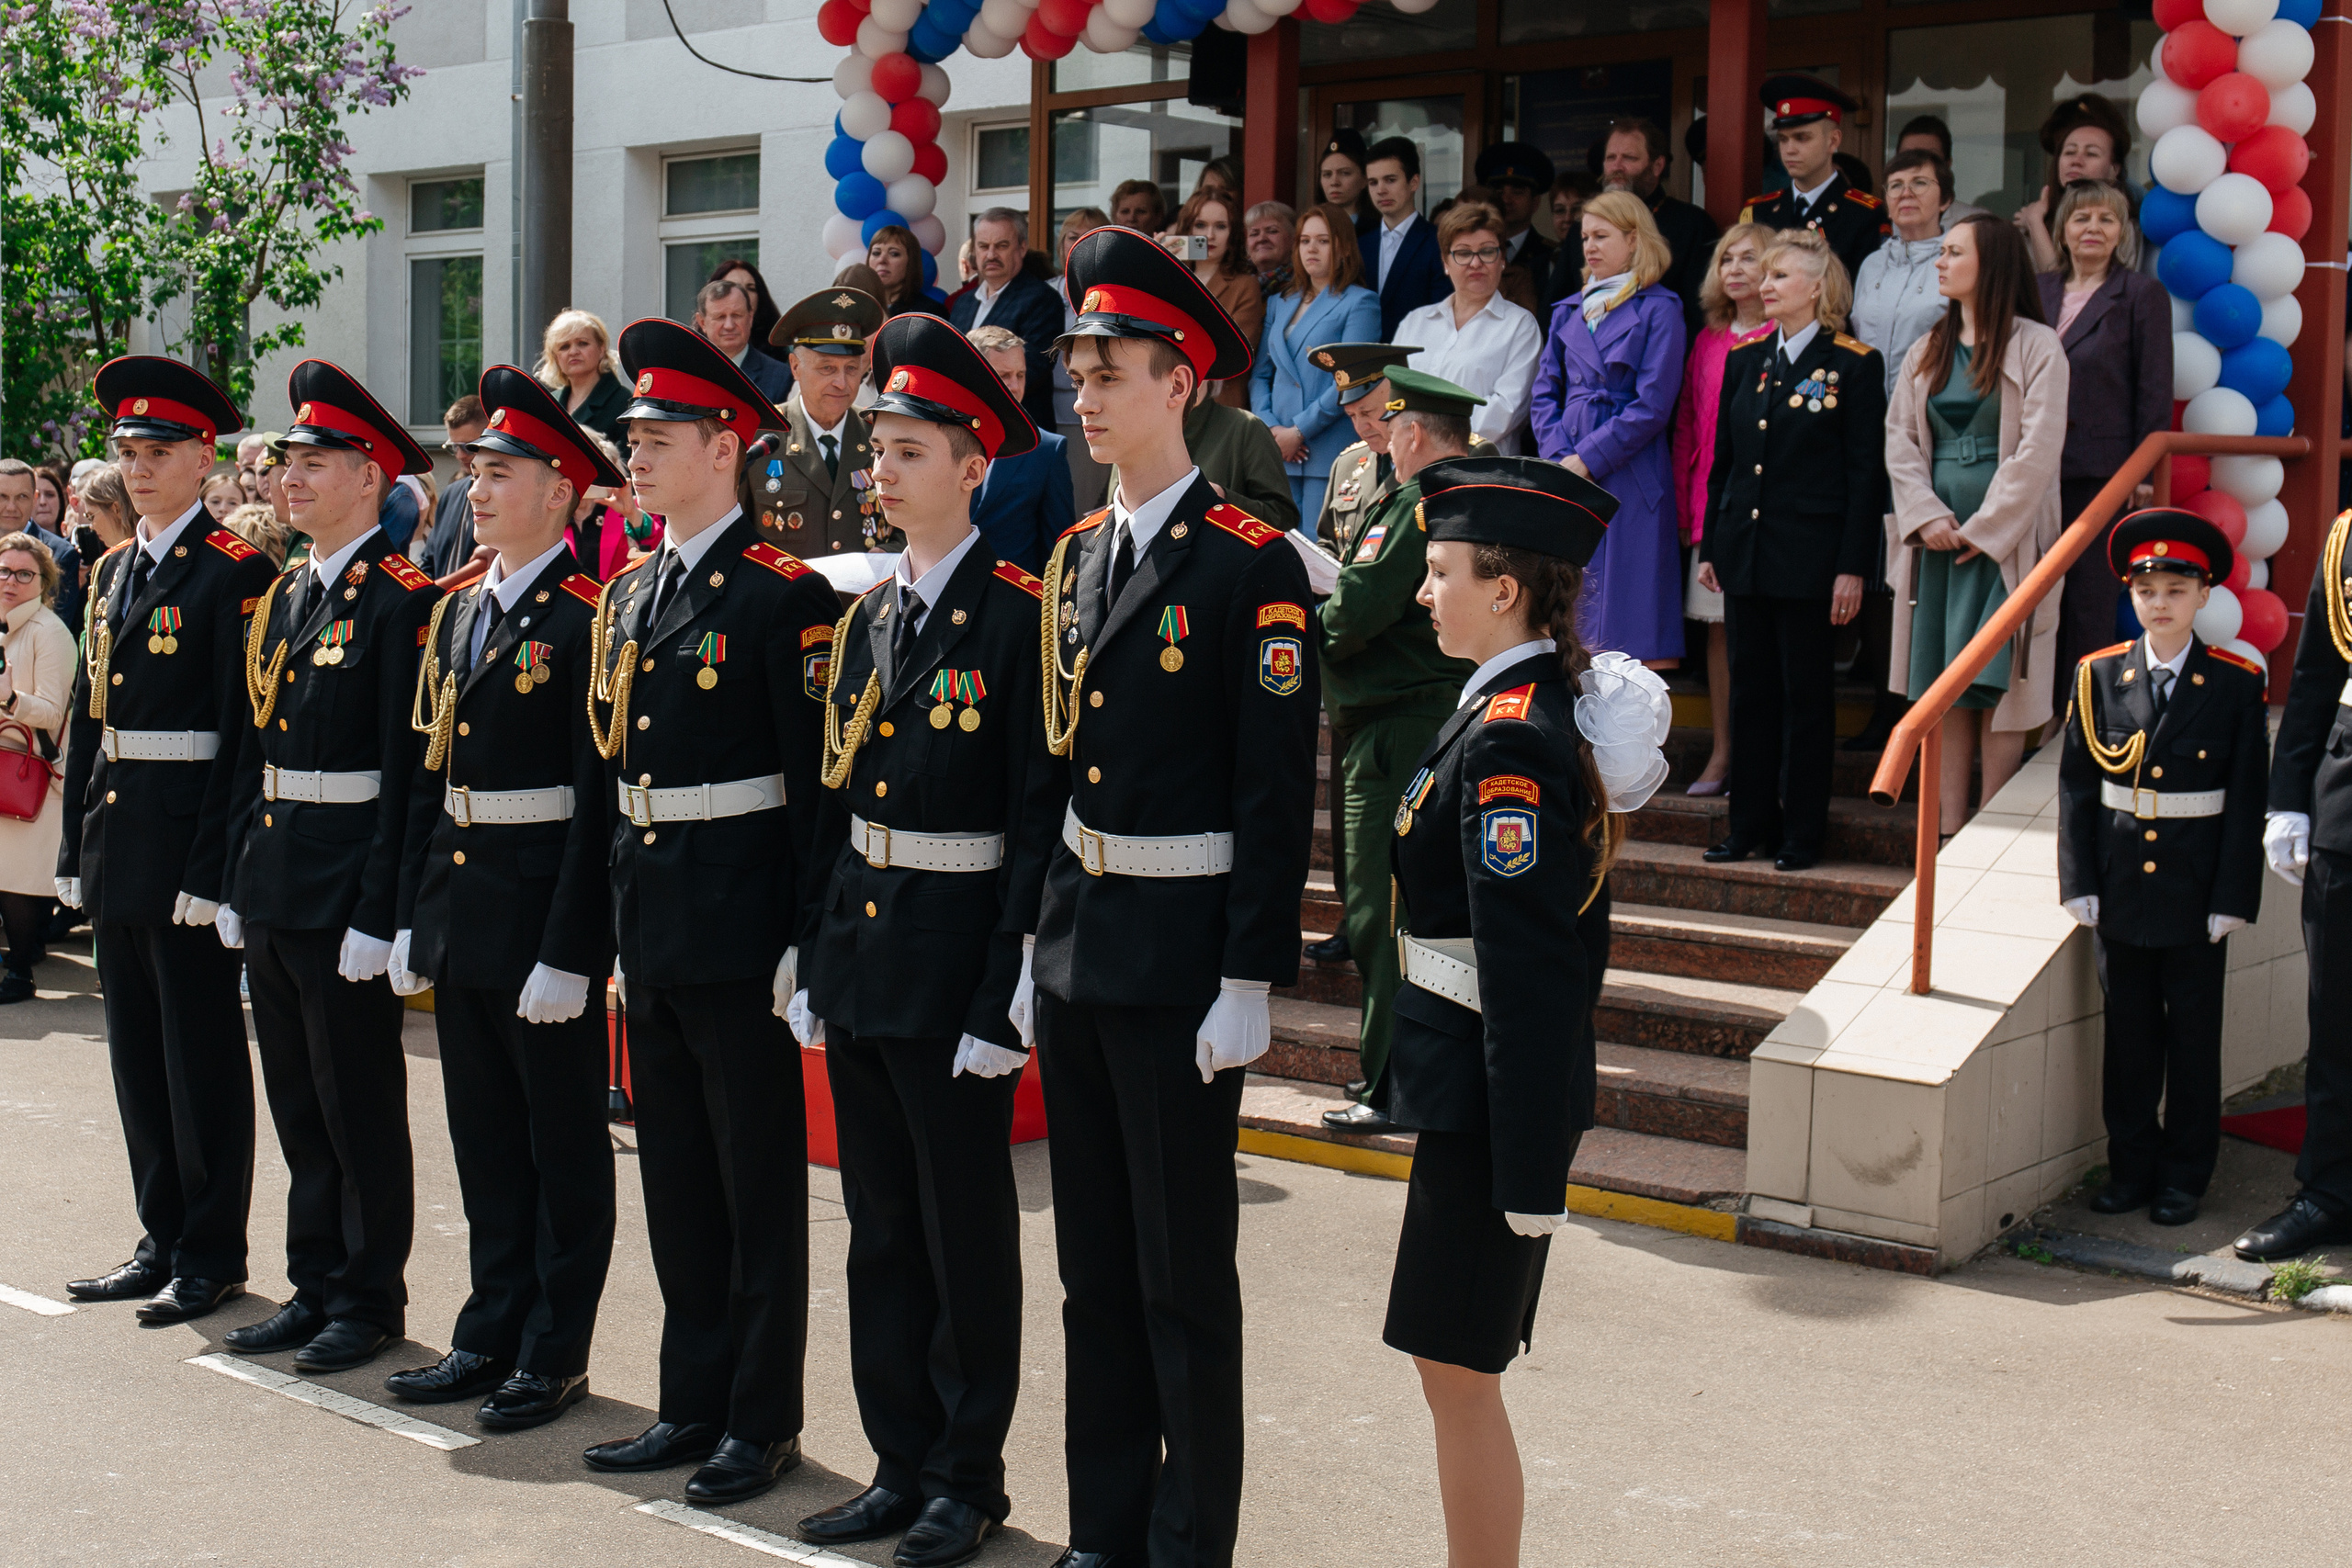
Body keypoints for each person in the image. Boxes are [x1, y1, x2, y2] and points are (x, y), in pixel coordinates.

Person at [1022, 225, 1316, 1568]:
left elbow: (1271, 790)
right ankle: (1106, 1527)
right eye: (1079, 370)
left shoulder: (1250, 562)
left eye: (1114, 371)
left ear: (1182, 381)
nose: (1085, 396)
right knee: (1092, 1274)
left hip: (1186, 957)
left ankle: (1192, 1542)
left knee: (1183, 1279)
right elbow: (1059, 767)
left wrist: (1252, 971)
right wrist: (1038, 935)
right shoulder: (1078, 551)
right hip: (1084, 944)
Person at [785, 314, 1059, 1568]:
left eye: (905, 450)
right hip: (865, 950)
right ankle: (897, 1457)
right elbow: (837, 805)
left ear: (974, 463)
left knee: (963, 1231)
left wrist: (1010, 984)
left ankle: (967, 1472)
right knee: (880, 1225)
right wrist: (814, 951)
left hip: (958, 960)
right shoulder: (870, 615)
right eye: (877, 450)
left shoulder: (1018, 618)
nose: (879, 472)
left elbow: (1034, 818)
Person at [577, 316, 843, 1502]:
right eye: (633, 435)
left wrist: (804, 935)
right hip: (655, 915)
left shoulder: (785, 597)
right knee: (676, 1176)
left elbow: (815, 792)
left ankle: (758, 1414)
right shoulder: (631, 592)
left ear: (727, 446)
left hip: (742, 925)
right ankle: (690, 1397)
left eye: (660, 435)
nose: (637, 454)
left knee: (753, 1183)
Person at [1385, 455, 1663, 1568]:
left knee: (1458, 1371)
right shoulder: (1500, 709)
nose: (1421, 591)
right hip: (1467, 1088)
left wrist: (1531, 1163)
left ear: (1503, 588)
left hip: (1488, 1105)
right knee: (1447, 1365)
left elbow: (1532, 965)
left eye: (1438, 570)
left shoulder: (1509, 734)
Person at [377, 366, 620, 1429]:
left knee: (560, 1143)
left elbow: (594, 802)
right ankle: (490, 1328)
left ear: (563, 489)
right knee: (481, 1137)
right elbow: (431, 777)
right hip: (464, 904)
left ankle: (554, 1349)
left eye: (502, 472)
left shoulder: (586, 619)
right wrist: (409, 916)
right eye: (474, 471)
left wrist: (572, 949)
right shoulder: (458, 611)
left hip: (538, 919)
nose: (475, 488)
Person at [210, 363, 442, 1374]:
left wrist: (382, 910)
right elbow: (250, 747)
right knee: (298, 1099)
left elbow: (408, 774)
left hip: (348, 880)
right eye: (287, 461)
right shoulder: (288, 591)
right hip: (275, 873)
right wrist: (232, 876)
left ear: (369, 475)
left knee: (356, 1100)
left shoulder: (402, 600)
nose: (289, 478)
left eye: (314, 463)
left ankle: (367, 1294)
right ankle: (313, 1282)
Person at [56, 357, 271, 1325]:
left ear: (203, 458)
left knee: (201, 1056)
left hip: (188, 845)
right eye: (128, 453)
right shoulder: (108, 572)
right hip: (119, 838)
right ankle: (160, 1233)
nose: (140, 469)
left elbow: (242, 737)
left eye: (159, 452)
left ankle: (211, 1248)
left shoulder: (237, 572)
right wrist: (74, 846)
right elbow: (89, 719)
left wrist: (214, 867)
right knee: (137, 1056)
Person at [2058, 510, 2267, 1230]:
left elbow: (2245, 801)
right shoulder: (2098, 676)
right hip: (2121, 887)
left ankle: (2184, 1176)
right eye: (2147, 589)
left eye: (2176, 589)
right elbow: (2079, 789)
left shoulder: (2236, 684)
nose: (2160, 602)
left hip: (2196, 888)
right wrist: (2078, 879)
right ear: (2131, 594)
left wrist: (2233, 895)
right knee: (2130, 1038)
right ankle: (2131, 1169)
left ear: (2203, 596)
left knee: (2193, 1041)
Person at [1314, 367, 1483, 1134]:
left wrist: (1302, 601)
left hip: (1398, 727)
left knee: (1383, 914)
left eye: (1391, 421)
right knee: (1401, 911)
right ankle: (1400, 1077)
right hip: (1406, 717)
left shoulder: (1419, 501)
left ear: (1412, 431)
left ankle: (1387, 1084)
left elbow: (1353, 611)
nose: (1381, 433)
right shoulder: (1436, 494)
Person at [1698, 230, 1885, 872]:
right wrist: (1712, 542)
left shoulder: (1855, 363)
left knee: (1806, 700)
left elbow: (1865, 476)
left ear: (1818, 288)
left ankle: (1802, 832)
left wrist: (1852, 566)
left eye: (1781, 275)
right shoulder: (1746, 358)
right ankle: (1746, 824)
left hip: (1811, 559)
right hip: (1746, 551)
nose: (1766, 283)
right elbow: (1724, 463)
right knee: (1750, 695)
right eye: (1765, 273)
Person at [1884, 212, 2067, 837]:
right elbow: (1900, 442)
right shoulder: (1926, 347)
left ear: (1989, 263)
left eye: (1953, 251)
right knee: (1945, 682)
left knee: (2002, 682)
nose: (1940, 261)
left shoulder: (2038, 344)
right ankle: (1945, 826)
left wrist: (1987, 529)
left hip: (2003, 544)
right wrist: (1928, 517)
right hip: (1936, 542)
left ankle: (1994, 822)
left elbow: (2039, 449)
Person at [2252, 506, 2352, 1261]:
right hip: (2349, 802)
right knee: (2338, 1016)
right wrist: (2289, 794)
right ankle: (2329, 1191)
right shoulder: (2349, 536)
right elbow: (2317, 671)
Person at [1530, 190, 1687, 667]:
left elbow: (1653, 404)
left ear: (1634, 239)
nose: (1590, 247)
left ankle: (1631, 740)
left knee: (1628, 629)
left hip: (1631, 473)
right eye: (1584, 237)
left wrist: (1588, 459)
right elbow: (1542, 395)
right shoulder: (1567, 311)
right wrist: (1561, 459)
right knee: (1572, 622)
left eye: (1602, 236)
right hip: (1569, 470)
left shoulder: (1661, 308)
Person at [2037, 180, 2172, 684]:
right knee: (2035, 597)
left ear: (2122, 233)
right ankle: (2038, 716)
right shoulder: (2038, 288)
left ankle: (2080, 717)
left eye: (2106, 219)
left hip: (2103, 475)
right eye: (2081, 218)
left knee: (2088, 601)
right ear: (2062, 231)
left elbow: (2154, 389)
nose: (2093, 228)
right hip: (2033, 469)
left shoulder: (2141, 294)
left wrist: (2143, 473)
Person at [1670, 223, 1774, 796]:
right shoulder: (1708, 339)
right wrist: (1689, 508)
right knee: (1719, 636)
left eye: (1750, 258)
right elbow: (1687, 424)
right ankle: (1723, 752)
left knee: (1764, 637)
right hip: (1713, 508)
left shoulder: (1787, 332)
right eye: (1726, 258)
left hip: (1769, 515)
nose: (1735, 268)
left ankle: (1761, 757)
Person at [1253, 206, 1381, 521]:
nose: (1311, 248)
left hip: (1327, 447)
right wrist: (1271, 430)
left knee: (1318, 555)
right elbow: (1259, 376)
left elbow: (1350, 377)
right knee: (1277, 549)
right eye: (1304, 240)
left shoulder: (1360, 302)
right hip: (1278, 447)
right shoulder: (1278, 302)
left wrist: (1299, 431)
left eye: (1323, 241)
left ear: (1343, 248)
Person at [1393, 202, 1543, 455]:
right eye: (1463, 253)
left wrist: (1430, 440)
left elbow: (1507, 411)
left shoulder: (1520, 327)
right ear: (1445, 262)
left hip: (1479, 472)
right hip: (1409, 466)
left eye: (1487, 252)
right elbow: (1392, 397)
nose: (1476, 263)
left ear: (1502, 260)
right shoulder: (1414, 323)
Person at [0, 533, 75, 998]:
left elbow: (53, 711)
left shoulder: (49, 632)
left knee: (21, 881)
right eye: (4, 571)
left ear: (44, 582)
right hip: (7, 765)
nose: (11, 581)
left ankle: (21, 973)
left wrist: (10, 700)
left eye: (24, 574)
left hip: (30, 770)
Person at [762, 286, 890, 557]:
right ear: (795, 367)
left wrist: (888, 553)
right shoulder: (763, 438)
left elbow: (909, 529)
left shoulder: (880, 435)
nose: (841, 383)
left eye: (851, 369)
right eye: (827, 368)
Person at [1111, 370, 1302, 542]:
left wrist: (1221, 497)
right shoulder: (1133, 432)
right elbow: (1110, 512)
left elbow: (1283, 519)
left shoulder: (1245, 427)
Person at [1741, 75, 1889, 291]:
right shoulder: (1758, 211)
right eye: (1783, 139)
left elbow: (1865, 294)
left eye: (1802, 138)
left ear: (1833, 141)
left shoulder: (1863, 214)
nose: (1789, 149)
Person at [1598, 116, 1721, 336]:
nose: (1617, 167)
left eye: (1629, 158)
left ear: (1656, 166)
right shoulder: (1586, 225)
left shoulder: (1691, 224)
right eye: (1610, 158)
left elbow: (1698, 316)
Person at [967, 324, 1074, 572]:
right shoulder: (941, 441)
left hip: (1015, 600)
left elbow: (1058, 548)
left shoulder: (1046, 449)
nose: (1015, 386)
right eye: (1004, 376)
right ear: (975, 377)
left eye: (1021, 375)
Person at [948, 209, 1065, 433]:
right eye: (983, 246)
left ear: (1022, 248)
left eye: (1001, 246)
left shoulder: (1042, 299)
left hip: (1019, 432)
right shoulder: (963, 303)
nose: (991, 255)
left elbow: (1032, 369)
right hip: (966, 428)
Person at [2016, 94, 2132, 276]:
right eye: (2069, 152)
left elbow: (2063, 289)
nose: (2076, 161)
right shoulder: (2031, 224)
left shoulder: (2124, 225)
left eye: (2091, 154)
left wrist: (2035, 222)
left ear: (2114, 169)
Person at [1175, 189, 1265, 411]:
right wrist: (1157, 262)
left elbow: (1235, 354)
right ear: (1187, 230)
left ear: (1232, 234)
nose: (1210, 235)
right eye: (1200, 225)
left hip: (1220, 406)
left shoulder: (1245, 285)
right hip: (1169, 404)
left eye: (1220, 226)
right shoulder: (1170, 280)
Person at [1362, 137, 1449, 340]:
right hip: (1363, 363)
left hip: (1416, 361)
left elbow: (1442, 313)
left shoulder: (1438, 243)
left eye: (1390, 180)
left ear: (1414, 182)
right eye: (1373, 182)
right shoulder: (1360, 245)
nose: (1380, 190)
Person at [1474, 141, 1558, 313]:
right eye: (1499, 192)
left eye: (1517, 192)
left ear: (1535, 203)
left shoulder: (1550, 255)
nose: (1506, 199)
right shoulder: (1472, 252)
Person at [535, 308, 631, 448]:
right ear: (556, 357)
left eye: (583, 343)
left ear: (601, 349)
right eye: (564, 346)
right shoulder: (549, 403)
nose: (573, 352)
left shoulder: (622, 401)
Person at [695, 276, 793, 404]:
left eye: (736, 315)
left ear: (750, 318)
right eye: (720, 317)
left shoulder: (780, 377)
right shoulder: (684, 374)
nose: (729, 325)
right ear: (702, 323)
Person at [422, 394, 490, 579]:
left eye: (468, 447)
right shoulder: (451, 493)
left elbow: (489, 563)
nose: (460, 455)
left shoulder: (506, 494)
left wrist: (433, 593)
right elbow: (429, 560)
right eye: (454, 447)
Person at [707, 254, 789, 380]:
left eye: (750, 288)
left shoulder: (781, 352)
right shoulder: (694, 353)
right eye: (732, 287)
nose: (742, 294)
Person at [1892, 117, 1985, 226]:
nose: (1916, 165)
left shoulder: (1976, 223)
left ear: (1947, 164)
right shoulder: (1881, 219)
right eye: (1907, 156)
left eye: (1930, 157)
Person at [1544, 170, 1600, 307]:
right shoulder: (1539, 264)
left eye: (1577, 209)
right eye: (1560, 210)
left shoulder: (1598, 258)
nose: (1568, 218)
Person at [866, 223, 942, 317]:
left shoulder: (928, 313)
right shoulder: (858, 307)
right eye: (876, 253)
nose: (882, 260)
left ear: (911, 263)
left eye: (894, 254)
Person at [1317, 129, 1374, 229]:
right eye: (1327, 174)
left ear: (1364, 180)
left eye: (1345, 173)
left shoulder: (1377, 231)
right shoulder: (1312, 228)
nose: (1334, 182)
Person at [1244, 199, 1295, 298]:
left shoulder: (1304, 286)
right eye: (1254, 233)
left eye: (1272, 231)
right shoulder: (1234, 283)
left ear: (1293, 240)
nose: (1261, 239)